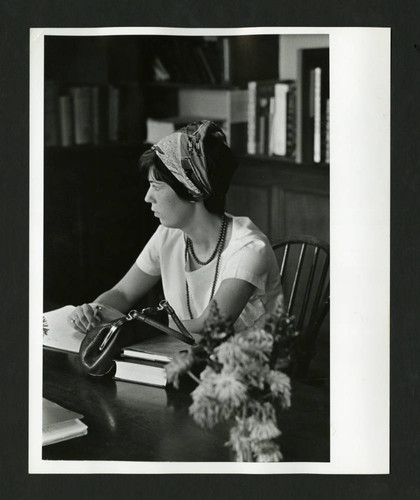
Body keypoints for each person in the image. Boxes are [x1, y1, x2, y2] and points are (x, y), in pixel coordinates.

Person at [67, 120, 282, 337]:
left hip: (244, 364)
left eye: (156, 187)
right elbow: (122, 293)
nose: (147, 197)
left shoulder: (249, 249)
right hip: (183, 355)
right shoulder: (169, 234)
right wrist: (93, 311)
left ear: (193, 191)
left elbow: (208, 325)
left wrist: (127, 324)